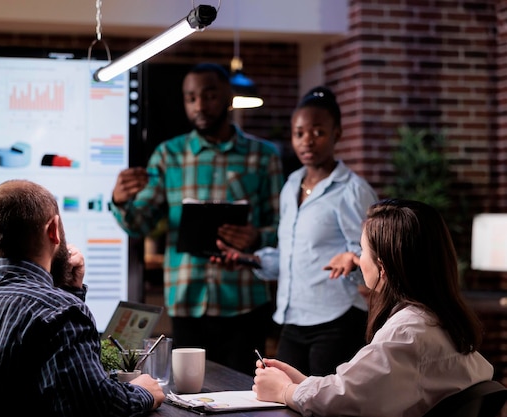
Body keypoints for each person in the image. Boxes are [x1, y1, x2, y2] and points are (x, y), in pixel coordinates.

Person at [0, 180, 164, 417]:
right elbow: (97, 407)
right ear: (53, 230)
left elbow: (49, 372)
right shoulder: (59, 311)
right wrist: (143, 392)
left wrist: (70, 291)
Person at [110, 62, 284, 375]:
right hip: (187, 300)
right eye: (190, 98)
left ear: (229, 97)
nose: (199, 105)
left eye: (209, 95)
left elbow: (283, 227)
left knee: (247, 399)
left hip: (244, 302)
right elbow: (141, 223)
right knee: (189, 395)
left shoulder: (264, 155)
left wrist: (257, 237)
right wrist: (120, 201)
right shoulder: (168, 155)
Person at [252, 198, 494, 417]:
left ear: (383, 268)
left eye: (361, 250)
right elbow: (356, 391)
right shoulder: (438, 320)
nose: (358, 259)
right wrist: (301, 383)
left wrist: (285, 391)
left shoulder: (408, 331)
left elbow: (343, 401)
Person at [217, 86, 378, 375]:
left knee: (325, 409)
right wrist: (247, 258)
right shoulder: (291, 184)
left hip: (336, 320)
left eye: (318, 132)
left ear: (337, 134)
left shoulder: (352, 191)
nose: (307, 141)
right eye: (299, 133)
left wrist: (352, 258)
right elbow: (290, 257)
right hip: (292, 320)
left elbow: (375, 260)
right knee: (282, 403)